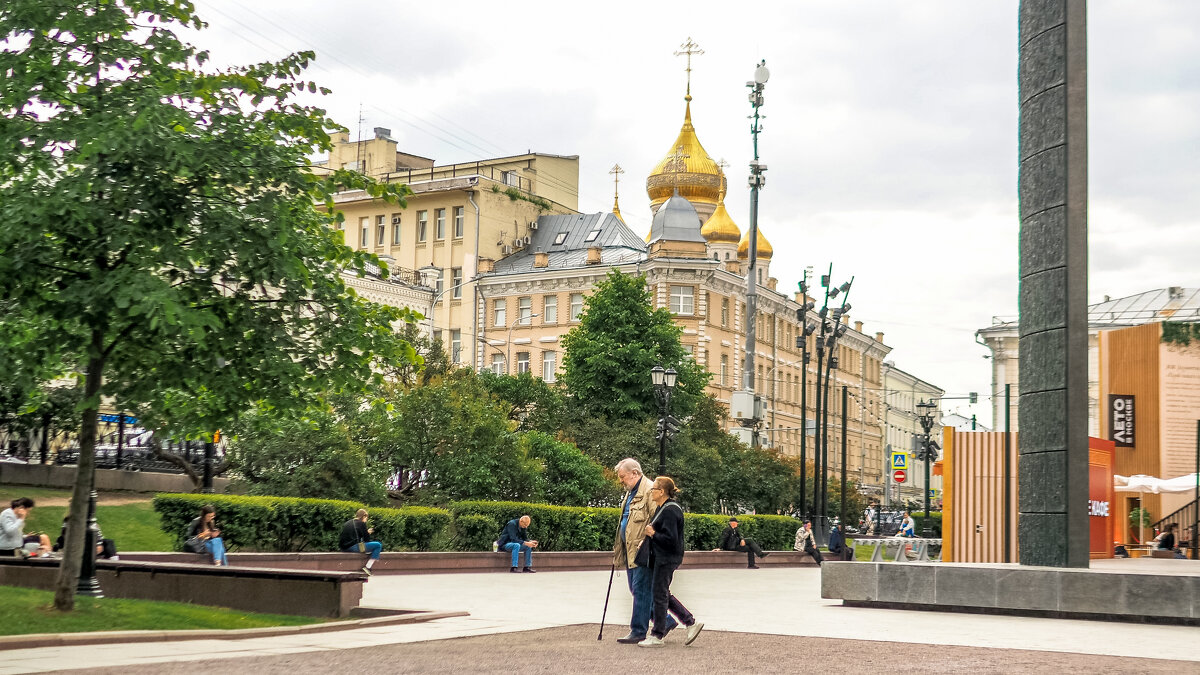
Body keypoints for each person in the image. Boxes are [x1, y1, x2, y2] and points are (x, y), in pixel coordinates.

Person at [612, 457, 673, 644]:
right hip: (630, 550)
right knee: (637, 588)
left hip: (643, 550)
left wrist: (647, 540)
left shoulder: (648, 490)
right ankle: (666, 621)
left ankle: (638, 630)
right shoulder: (630, 492)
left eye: (623, 476)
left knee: (640, 589)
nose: (621, 480)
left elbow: (658, 518)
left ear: (635, 473)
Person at [639, 476, 704, 648]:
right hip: (662, 557)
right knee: (662, 593)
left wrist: (652, 534)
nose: (650, 491)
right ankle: (690, 622)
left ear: (661, 491)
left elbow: (671, 540)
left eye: (653, 489)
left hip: (666, 558)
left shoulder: (669, 510)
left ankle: (658, 635)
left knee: (659, 595)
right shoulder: (665, 508)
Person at [339, 509, 382, 575]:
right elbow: (367, 539)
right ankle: (368, 567)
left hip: (344, 548)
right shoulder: (361, 523)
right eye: (366, 518)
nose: (366, 520)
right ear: (364, 516)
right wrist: (367, 532)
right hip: (353, 547)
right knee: (378, 545)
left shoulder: (348, 523)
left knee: (368, 547)